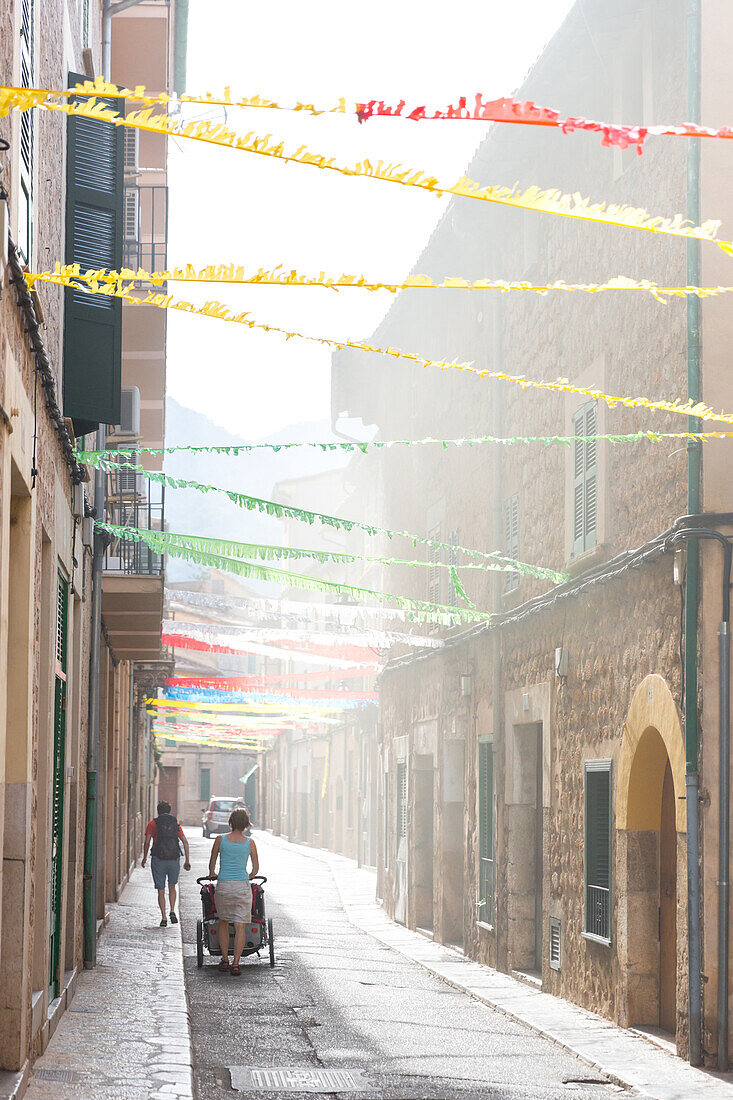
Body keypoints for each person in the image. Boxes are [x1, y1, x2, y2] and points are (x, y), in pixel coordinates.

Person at [208, 807, 259, 976]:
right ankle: (236, 964)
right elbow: (255, 868)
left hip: (223, 885)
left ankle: (224, 959)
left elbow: (213, 861)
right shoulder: (249, 842)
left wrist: (212, 874)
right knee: (240, 926)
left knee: (223, 922)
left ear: (230, 822)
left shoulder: (220, 839)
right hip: (241, 886)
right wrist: (250, 876)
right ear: (245, 824)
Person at [142, 800, 191, 927]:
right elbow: (185, 841)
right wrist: (187, 860)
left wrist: (144, 858)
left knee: (161, 890)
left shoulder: (153, 823)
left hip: (158, 858)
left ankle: (163, 917)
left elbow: (147, 842)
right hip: (174, 858)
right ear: (169, 811)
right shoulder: (175, 823)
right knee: (172, 886)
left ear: (158, 811)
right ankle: (172, 910)